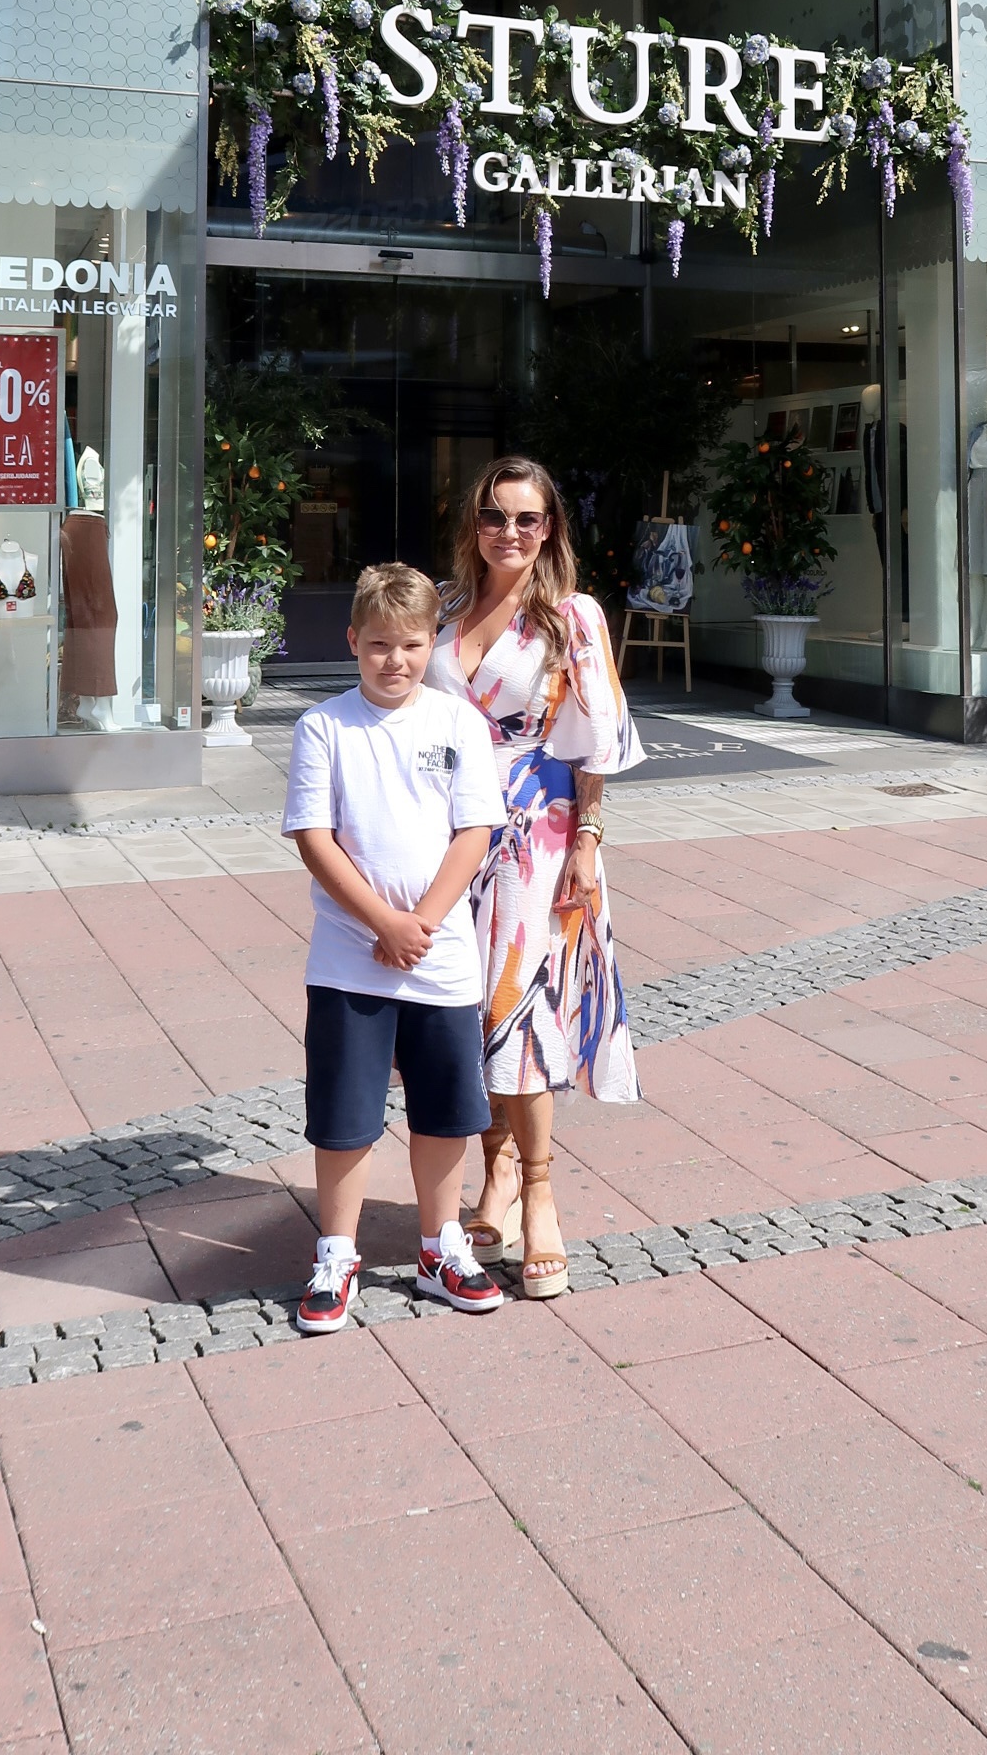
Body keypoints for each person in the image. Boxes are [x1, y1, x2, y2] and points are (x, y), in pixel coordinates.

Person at [427, 457, 642, 1299]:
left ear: (549, 528)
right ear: (473, 524)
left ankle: (541, 1193)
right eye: (494, 515)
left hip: (533, 835)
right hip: (446, 834)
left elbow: (597, 741)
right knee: (464, 1006)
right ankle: (498, 1175)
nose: (508, 532)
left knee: (516, 1008)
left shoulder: (570, 616)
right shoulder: (443, 608)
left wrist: (587, 840)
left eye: (527, 518)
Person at [282, 560, 508, 1334]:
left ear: (431, 644)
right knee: (344, 1113)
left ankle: (440, 1248)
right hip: (351, 958)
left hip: (440, 959)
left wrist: (422, 923)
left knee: (445, 1110)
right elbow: (315, 838)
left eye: (412, 645)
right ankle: (337, 1252)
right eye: (379, 644)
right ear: (353, 640)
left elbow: (474, 830)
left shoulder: (457, 723)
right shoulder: (324, 727)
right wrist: (383, 922)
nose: (395, 660)